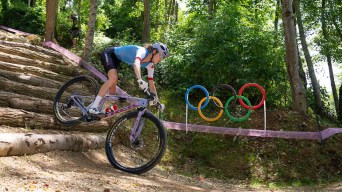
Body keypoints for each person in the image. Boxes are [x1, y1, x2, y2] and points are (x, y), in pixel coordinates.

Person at [88, 42, 170, 114]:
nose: (161, 59)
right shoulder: (142, 51)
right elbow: (136, 64)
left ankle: (98, 107)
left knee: (112, 92)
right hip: (109, 53)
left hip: (117, 59)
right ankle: (93, 106)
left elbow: (152, 85)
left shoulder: (150, 66)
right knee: (113, 78)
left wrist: (158, 102)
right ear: (154, 51)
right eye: (161, 55)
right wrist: (140, 80)